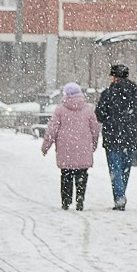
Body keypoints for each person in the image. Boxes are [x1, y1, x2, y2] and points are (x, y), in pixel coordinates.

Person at [41, 82, 102, 211]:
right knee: (82, 174)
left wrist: (46, 146)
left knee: (66, 175)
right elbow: (95, 129)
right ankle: (80, 197)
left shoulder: (60, 110)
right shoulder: (88, 109)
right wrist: (93, 144)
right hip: (83, 148)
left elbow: (52, 129)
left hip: (65, 148)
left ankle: (66, 200)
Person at [94, 63, 137, 211]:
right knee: (125, 169)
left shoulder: (108, 94)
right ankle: (120, 194)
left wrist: (112, 119)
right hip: (130, 136)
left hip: (112, 136)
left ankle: (119, 197)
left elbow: (99, 115)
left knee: (115, 169)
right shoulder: (136, 93)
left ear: (115, 77)